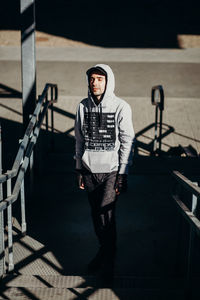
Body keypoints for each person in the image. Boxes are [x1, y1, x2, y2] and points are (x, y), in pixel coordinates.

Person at [74, 64, 135, 281]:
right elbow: (79, 140)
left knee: (106, 213)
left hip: (111, 171)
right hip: (90, 170)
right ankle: (104, 249)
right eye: (92, 79)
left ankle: (109, 258)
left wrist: (123, 173)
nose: (95, 83)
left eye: (100, 79)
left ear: (108, 81)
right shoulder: (82, 106)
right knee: (96, 215)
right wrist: (79, 168)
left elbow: (128, 141)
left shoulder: (121, 107)